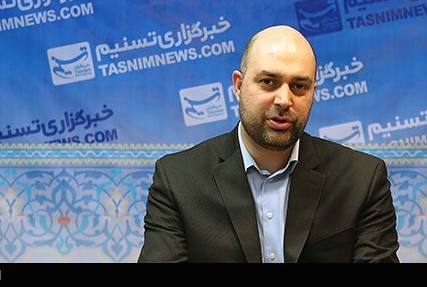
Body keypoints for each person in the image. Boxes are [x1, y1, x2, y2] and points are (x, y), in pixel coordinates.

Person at [138, 24, 400, 263]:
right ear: (238, 86)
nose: (284, 100)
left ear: (313, 92)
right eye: (268, 82)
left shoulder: (361, 180)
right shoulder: (178, 180)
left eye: (299, 86)